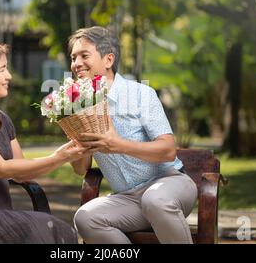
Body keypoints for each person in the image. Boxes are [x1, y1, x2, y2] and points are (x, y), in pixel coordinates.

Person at [0, 39, 83, 244]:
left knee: (59, 230)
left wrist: (66, 152)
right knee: (41, 228)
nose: (8, 76)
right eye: (2, 70)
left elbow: (22, 173)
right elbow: (1, 169)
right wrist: (59, 158)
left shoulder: (3, 119)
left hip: (1, 216)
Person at [69, 26, 198, 244]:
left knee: (154, 200)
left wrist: (117, 144)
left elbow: (167, 150)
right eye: (73, 58)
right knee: (85, 217)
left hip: (170, 183)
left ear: (108, 60)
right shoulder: (80, 106)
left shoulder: (140, 94)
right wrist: (76, 132)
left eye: (84, 55)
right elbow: (81, 169)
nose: (76, 64)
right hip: (127, 199)